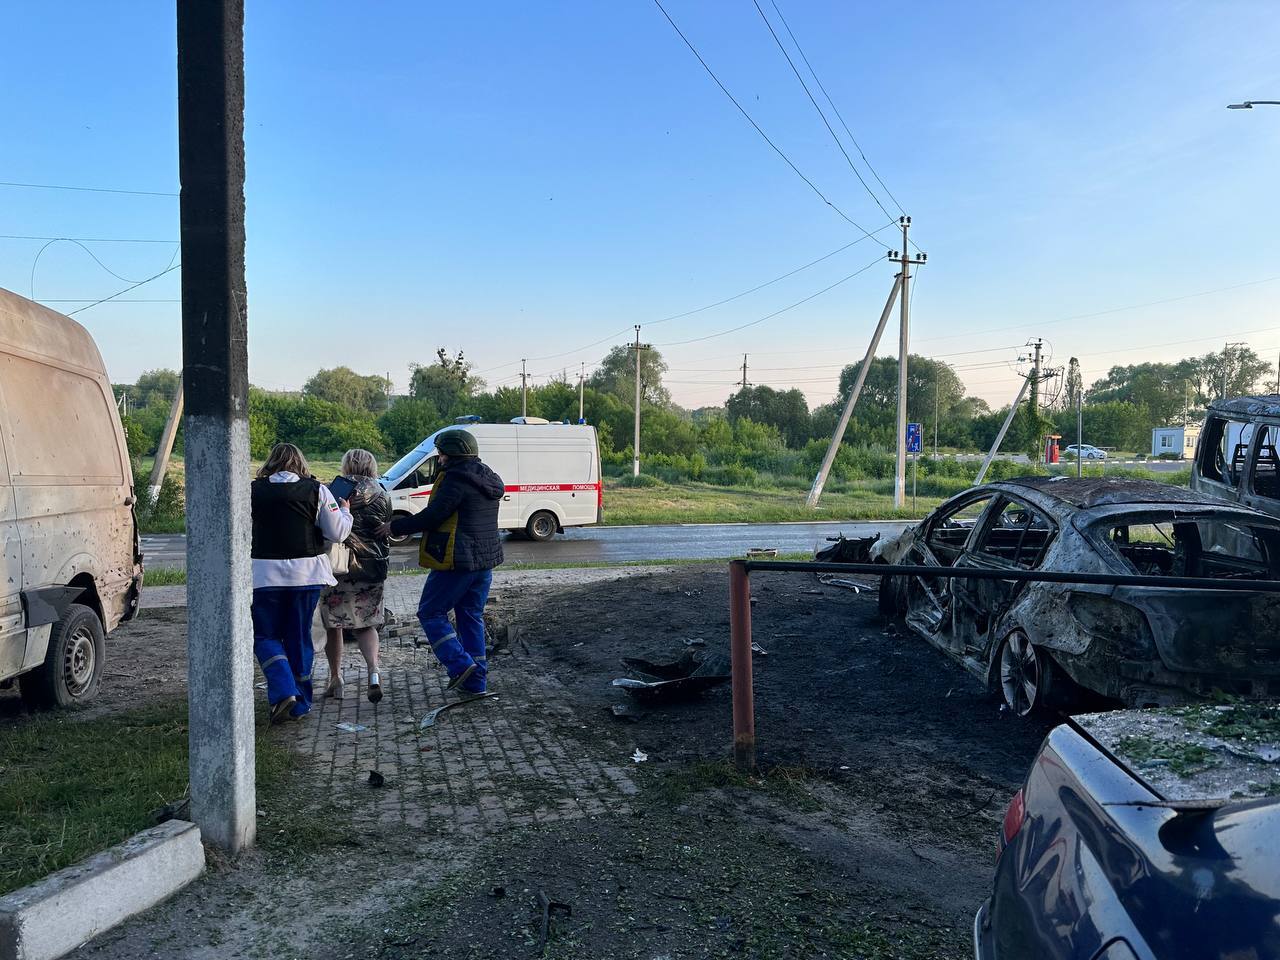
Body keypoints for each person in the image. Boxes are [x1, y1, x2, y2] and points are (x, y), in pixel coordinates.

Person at [378, 429, 503, 694]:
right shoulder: (487, 477)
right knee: (470, 617)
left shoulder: (455, 479)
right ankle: (476, 683)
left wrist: (395, 527)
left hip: (457, 561)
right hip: (485, 561)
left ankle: (459, 664)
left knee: (430, 612)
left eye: (441, 453)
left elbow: (434, 516)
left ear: (451, 454)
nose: (440, 458)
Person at [251, 442, 352, 724]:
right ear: (300, 463)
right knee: (298, 637)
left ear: (271, 462)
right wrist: (345, 511)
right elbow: (337, 532)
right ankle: (299, 703)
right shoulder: (317, 490)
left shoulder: (253, 490)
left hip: (264, 574)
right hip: (306, 576)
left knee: (265, 636)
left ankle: (283, 689)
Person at [320, 448, 391, 703]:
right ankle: (373, 673)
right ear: (371, 466)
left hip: (339, 568)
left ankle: (336, 679)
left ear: (346, 465)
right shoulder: (382, 493)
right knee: (367, 622)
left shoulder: (334, 492)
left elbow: (326, 526)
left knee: (334, 623)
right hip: (372, 568)